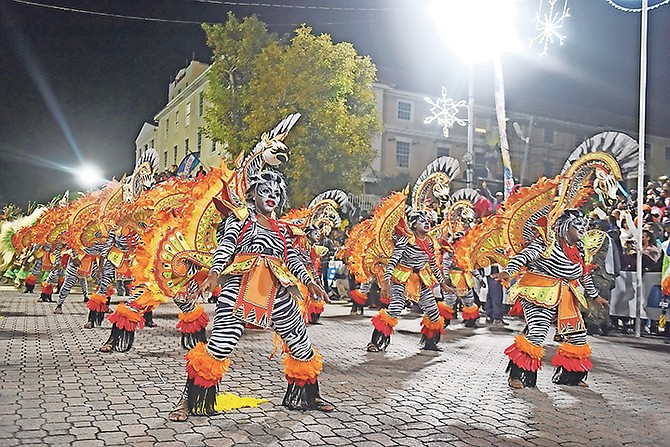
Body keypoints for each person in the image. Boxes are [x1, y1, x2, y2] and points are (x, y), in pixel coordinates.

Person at [168, 169, 332, 422]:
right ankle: (187, 401)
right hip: (240, 286)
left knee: (300, 343)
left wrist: (309, 282)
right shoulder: (241, 218)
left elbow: (292, 259)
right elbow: (226, 246)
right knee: (220, 346)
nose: (272, 197)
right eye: (266, 192)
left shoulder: (282, 228)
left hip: (277, 289)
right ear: (253, 193)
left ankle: (309, 395)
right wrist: (214, 272)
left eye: (277, 194)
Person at [493, 209, 609, 388]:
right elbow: (523, 257)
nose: (583, 228)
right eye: (578, 224)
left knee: (578, 335)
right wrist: (508, 271)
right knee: (538, 332)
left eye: (584, 224)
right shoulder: (546, 242)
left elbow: (584, 275)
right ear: (565, 227)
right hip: (539, 291)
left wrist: (595, 296)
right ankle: (517, 376)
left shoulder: (580, 249)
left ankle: (571, 377)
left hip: (566, 294)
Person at [367, 210, 449, 352]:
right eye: (422, 221)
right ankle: (374, 342)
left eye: (427, 221)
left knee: (433, 312)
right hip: (401, 277)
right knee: (395, 308)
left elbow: (433, 264)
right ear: (414, 225)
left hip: (420, 279)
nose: (426, 224)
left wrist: (442, 284)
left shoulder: (429, 241)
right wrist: (386, 282)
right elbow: (393, 261)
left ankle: (430, 343)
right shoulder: (406, 240)